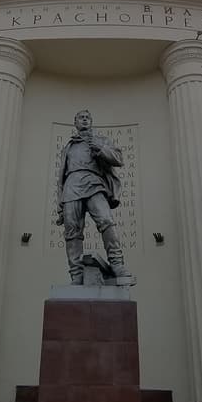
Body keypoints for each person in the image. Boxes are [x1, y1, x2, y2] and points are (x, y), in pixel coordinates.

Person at [55, 110, 132, 283]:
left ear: (91, 122)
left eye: (87, 117)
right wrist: (59, 203)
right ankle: (76, 274)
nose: (84, 120)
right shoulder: (68, 146)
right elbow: (61, 177)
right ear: (75, 123)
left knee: (106, 220)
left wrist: (100, 148)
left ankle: (117, 264)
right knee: (72, 231)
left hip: (93, 182)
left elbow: (118, 159)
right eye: (81, 117)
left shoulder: (100, 139)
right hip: (71, 186)